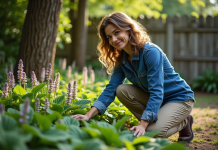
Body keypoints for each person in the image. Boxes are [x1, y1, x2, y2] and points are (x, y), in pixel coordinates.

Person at [71, 12, 195, 142]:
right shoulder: (122, 59)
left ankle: (184, 122)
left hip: (179, 98)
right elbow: (111, 88)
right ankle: (154, 122)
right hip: (158, 101)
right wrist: (87, 115)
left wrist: (143, 124)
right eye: (109, 37)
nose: (113, 40)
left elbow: (157, 91)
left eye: (117, 32)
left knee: (152, 133)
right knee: (121, 90)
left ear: (128, 29)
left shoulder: (150, 52)